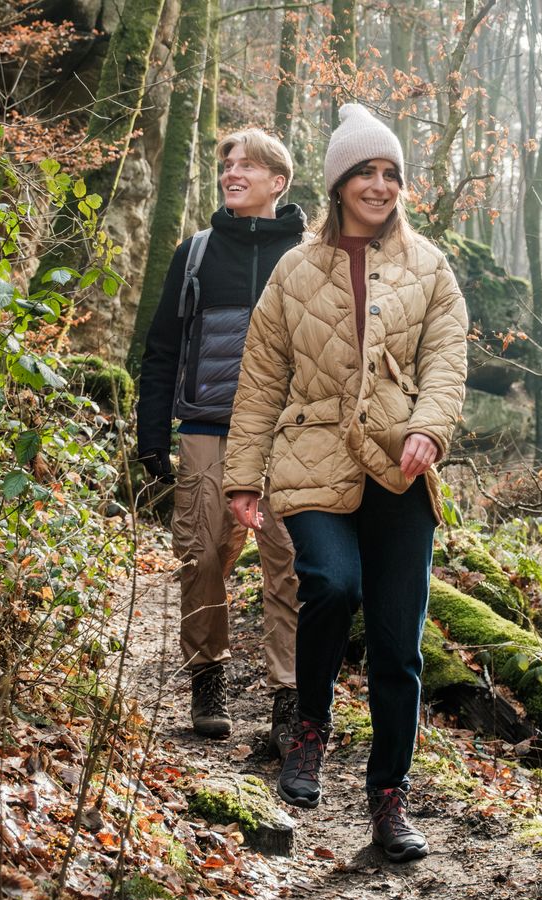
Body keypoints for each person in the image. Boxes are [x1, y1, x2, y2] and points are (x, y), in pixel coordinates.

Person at [222, 104, 468, 862]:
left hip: (400, 466)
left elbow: (447, 359)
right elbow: (261, 379)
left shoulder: (428, 266)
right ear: (337, 183)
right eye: (366, 171)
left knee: (398, 645)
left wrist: (429, 426)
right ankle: (310, 728)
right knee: (328, 583)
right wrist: (241, 478)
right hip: (312, 457)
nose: (380, 184)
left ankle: (387, 800)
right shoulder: (294, 270)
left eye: (391, 173)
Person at [136, 129, 305, 750]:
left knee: (288, 565)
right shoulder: (197, 254)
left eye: (248, 165)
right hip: (208, 426)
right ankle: (207, 676)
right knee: (204, 556)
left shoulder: (312, 255)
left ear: (277, 181)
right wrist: (151, 430)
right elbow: (161, 348)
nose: (232, 172)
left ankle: (289, 698)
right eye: (227, 164)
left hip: (293, 435)